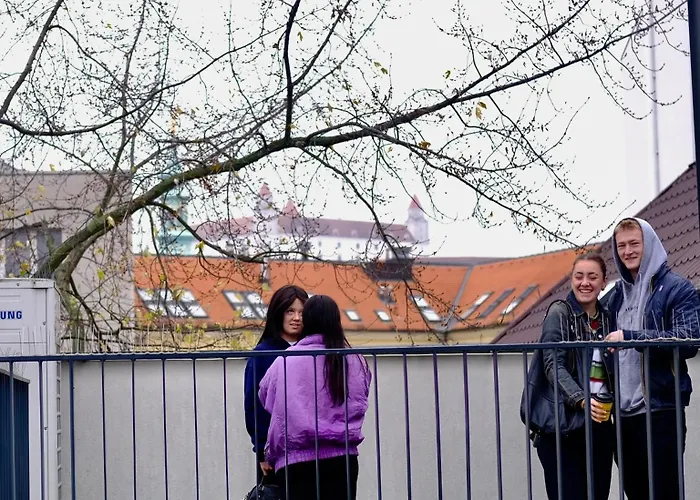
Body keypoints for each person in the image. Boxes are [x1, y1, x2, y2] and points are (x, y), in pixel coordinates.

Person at [604, 217, 700, 499]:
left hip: (660, 411)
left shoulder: (677, 288)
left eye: (635, 243)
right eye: (621, 245)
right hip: (622, 415)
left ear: (650, 243)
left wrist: (631, 337)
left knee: (664, 493)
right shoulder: (615, 297)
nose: (628, 251)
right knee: (635, 493)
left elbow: (688, 340)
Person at [259, 294, 371, 500]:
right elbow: (361, 397)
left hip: (296, 460)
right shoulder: (355, 359)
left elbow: (266, 397)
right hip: (343, 459)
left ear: (307, 321)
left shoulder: (286, 360)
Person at [535, 252, 615, 500]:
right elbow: (552, 364)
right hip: (562, 428)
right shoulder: (559, 312)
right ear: (571, 280)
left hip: (599, 426)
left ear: (604, 282)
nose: (585, 283)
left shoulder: (608, 318)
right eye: (579, 276)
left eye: (593, 277)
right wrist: (581, 399)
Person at [244, 284, 309, 485]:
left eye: (302, 312)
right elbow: (254, 406)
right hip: (276, 454)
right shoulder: (263, 354)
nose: (296, 318)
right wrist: (262, 450)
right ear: (278, 313)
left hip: (311, 451)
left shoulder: (315, 350)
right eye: (290, 311)